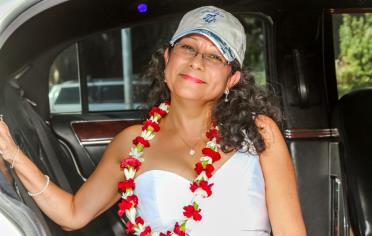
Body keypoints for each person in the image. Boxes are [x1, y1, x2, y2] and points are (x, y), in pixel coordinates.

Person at [0, 5, 306, 236]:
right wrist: (13, 154)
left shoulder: (259, 132)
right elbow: (73, 214)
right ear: (167, 60)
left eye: (215, 56)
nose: (197, 61)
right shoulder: (133, 143)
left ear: (232, 78)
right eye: (188, 47)